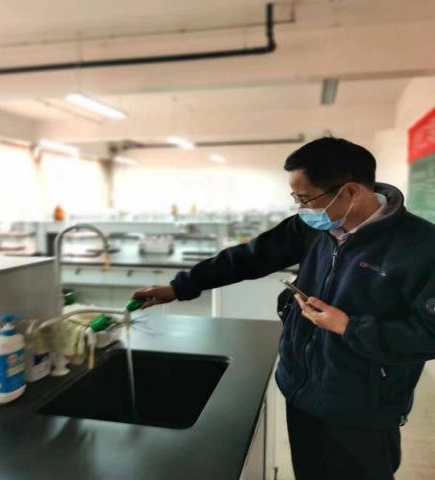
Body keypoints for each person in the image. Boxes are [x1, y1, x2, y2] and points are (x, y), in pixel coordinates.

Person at [132, 137, 435, 480]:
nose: (301, 208)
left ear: (350, 192)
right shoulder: (312, 228)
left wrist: (348, 326)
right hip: (301, 390)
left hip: (362, 406)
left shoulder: (420, 246)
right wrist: (180, 287)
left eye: (305, 198)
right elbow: (249, 258)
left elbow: (429, 335)